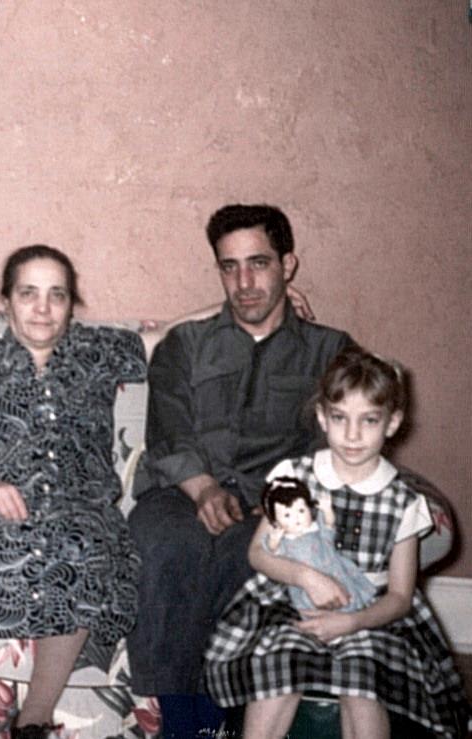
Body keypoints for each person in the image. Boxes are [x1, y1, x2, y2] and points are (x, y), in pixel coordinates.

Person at [0, 244, 192, 739]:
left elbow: (167, 337)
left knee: (84, 546)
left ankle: (35, 719)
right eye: (28, 293)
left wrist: (244, 303)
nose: (42, 309)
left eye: (56, 295)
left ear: (70, 303)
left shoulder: (97, 350)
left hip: (79, 503)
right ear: (6, 301)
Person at [126, 203, 354, 738]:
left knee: (246, 558)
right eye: (230, 267)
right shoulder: (186, 345)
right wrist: (203, 488)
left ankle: (216, 720)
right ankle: (181, 724)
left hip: (272, 503)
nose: (244, 282)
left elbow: (333, 445)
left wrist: (279, 502)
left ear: (287, 265)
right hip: (179, 494)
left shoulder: (330, 351)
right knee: (167, 547)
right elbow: (168, 431)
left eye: (259, 263)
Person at [205, 347, 468, 738]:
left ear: (392, 423)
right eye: (340, 417)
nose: (352, 434)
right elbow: (258, 553)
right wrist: (304, 576)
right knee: (279, 666)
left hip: (371, 615)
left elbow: (400, 596)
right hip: (293, 603)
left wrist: (352, 621)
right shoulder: (293, 475)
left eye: (369, 420)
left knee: (362, 680)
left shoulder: (405, 502)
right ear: (322, 416)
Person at [258, 476, 376, 613]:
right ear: (276, 522)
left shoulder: (316, 530)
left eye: (301, 511)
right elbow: (273, 551)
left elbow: (329, 525)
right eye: (287, 515)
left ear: (309, 509)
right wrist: (274, 540)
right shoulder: (286, 542)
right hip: (308, 586)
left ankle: (354, 613)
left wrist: (327, 510)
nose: (296, 517)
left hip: (335, 571)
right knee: (316, 608)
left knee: (347, 598)